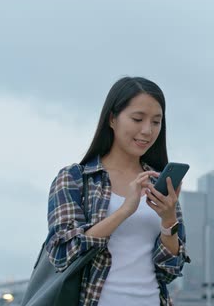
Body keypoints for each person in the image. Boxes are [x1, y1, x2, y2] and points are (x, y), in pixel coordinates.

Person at [45, 76, 190, 306]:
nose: (147, 130)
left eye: (156, 122)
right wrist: (124, 210)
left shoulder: (159, 182)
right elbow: (62, 254)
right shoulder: (75, 178)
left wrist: (168, 219)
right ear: (112, 119)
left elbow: (170, 270)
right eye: (137, 119)